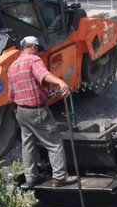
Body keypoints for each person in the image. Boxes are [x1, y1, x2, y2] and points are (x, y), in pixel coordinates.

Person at [7, 36, 78, 189]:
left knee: (28, 144)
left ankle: (31, 178)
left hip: (21, 111)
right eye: (37, 49)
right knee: (54, 142)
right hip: (36, 111)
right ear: (32, 47)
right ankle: (60, 176)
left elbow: (11, 94)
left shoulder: (12, 66)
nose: (38, 52)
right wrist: (60, 82)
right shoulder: (33, 60)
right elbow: (43, 75)